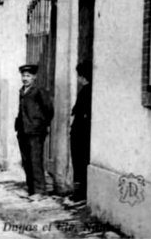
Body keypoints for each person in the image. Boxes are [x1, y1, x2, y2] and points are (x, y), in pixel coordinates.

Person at [15, 64, 54, 199]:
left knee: (35, 161)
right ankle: (31, 189)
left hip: (36, 131)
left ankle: (40, 192)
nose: (25, 78)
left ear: (34, 77)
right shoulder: (22, 91)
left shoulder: (39, 91)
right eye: (23, 76)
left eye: (28, 76)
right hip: (23, 131)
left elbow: (49, 109)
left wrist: (42, 125)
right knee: (27, 162)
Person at [70, 61, 92, 201]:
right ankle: (80, 193)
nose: (78, 79)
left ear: (83, 76)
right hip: (80, 132)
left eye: (79, 76)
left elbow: (82, 114)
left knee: (79, 162)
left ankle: (81, 193)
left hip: (81, 133)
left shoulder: (86, 91)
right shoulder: (87, 90)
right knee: (80, 162)